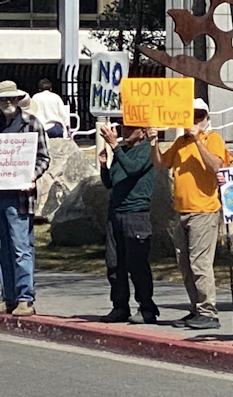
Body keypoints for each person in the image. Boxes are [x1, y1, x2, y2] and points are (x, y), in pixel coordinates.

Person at [148, 97, 232, 330]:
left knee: (200, 263)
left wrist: (197, 140)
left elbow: (217, 166)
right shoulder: (180, 143)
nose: (194, 121)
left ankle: (208, 311)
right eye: (191, 116)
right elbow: (161, 164)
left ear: (206, 118)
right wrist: (154, 143)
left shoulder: (212, 139)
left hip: (204, 210)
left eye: (199, 116)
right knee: (184, 263)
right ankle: (196, 308)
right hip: (182, 210)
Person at [0, 81, 50, 317]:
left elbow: (44, 157)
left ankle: (25, 298)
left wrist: (33, 176)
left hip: (20, 197)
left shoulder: (31, 124)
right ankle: (8, 296)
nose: (7, 103)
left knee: (21, 247)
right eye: (3, 99)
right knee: (1, 248)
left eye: (11, 98)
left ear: (18, 99)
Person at [97, 121, 159, 324]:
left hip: (136, 214)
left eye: (131, 128)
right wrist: (104, 165)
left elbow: (133, 169)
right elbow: (110, 183)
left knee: (137, 264)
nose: (125, 131)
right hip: (116, 212)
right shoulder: (122, 150)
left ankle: (147, 308)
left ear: (142, 132)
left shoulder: (146, 151)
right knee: (115, 263)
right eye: (124, 126)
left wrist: (115, 146)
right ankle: (120, 306)